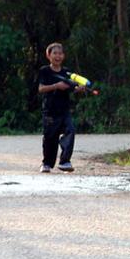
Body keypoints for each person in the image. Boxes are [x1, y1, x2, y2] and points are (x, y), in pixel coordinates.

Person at [38, 43, 83, 173]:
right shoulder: (44, 71)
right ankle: (46, 163)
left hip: (64, 110)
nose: (58, 56)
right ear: (48, 55)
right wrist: (56, 86)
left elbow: (71, 88)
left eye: (60, 53)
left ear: (63, 56)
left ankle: (65, 161)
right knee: (50, 138)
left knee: (70, 130)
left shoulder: (67, 72)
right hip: (50, 110)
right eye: (55, 53)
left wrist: (78, 89)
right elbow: (41, 89)